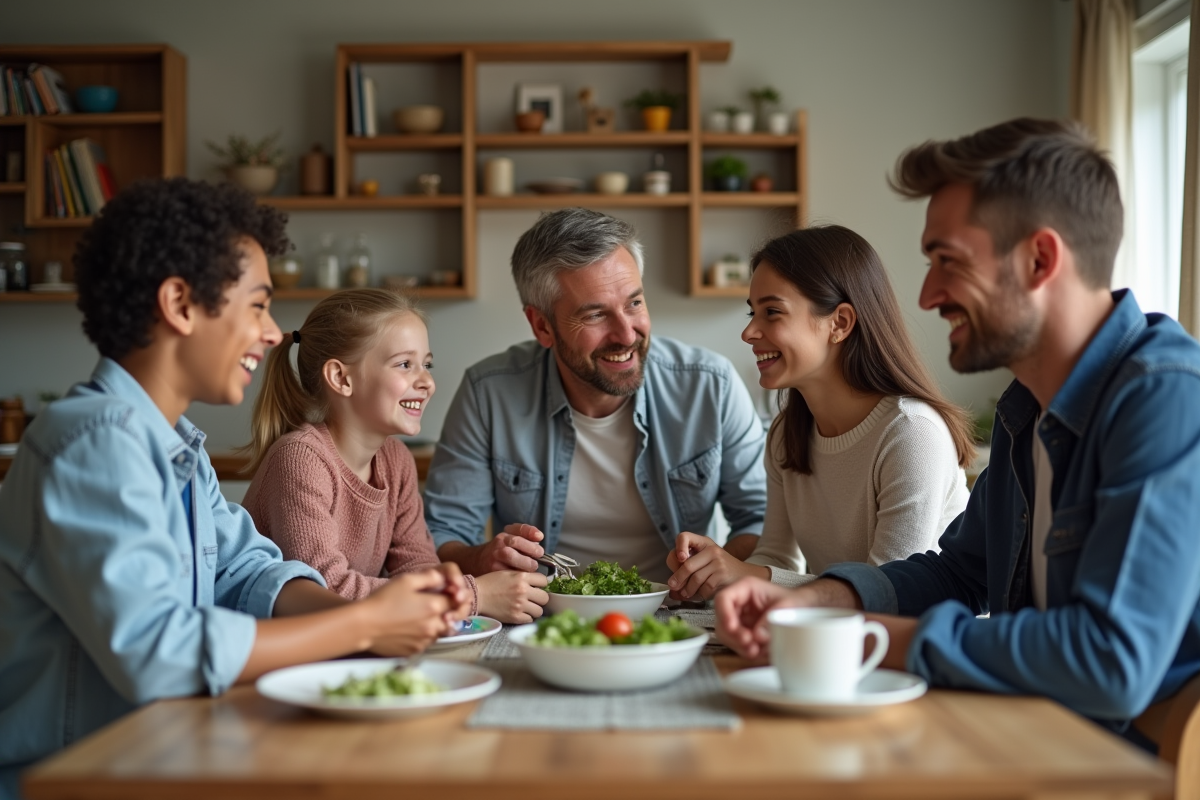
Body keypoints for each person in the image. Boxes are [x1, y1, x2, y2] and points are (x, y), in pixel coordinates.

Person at [716, 118, 1200, 745]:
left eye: (948, 261)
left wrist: (867, 637)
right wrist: (821, 602)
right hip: (1035, 735)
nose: (925, 294)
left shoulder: (1163, 399)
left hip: (1124, 766)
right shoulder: (1026, 407)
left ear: (1040, 259)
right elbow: (958, 574)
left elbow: (1109, 661)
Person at [0, 179, 468, 798]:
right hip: (77, 779)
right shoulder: (95, 441)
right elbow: (157, 652)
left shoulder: (177, 446)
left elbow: (249, 573)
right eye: (256, 305)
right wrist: (362, 627)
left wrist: (374, 618)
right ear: (181, 304)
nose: (274, 333)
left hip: (161, 756)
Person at [424, 207, 767, 620]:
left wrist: (723, 565)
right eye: (595, 314)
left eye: (634, 303)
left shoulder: (710, 385)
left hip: (680, 619)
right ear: (542, 326)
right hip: (542, 623)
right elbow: (441, 536)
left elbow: (761, 521)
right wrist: (482, 559)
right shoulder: (488, 392)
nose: (626, 334)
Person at [666, 225, 974, 602]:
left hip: (922, 648)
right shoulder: (786, 434)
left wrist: (746, 574)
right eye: (753, 312)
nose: (748, 332)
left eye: (772, 312)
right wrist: (719, 576)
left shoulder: (911, 433)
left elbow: (888, 591)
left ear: (839, 323)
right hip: (835, 639)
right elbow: (777, 557)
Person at [240, 289, 529, 623]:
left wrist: (445, 596)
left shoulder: (396, 459)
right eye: (405, 364)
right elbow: (324, 590)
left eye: (427, 364)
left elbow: (419, 567)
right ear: (341, 378)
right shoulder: (299, 459)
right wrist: (472, 595)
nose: (427, 382)